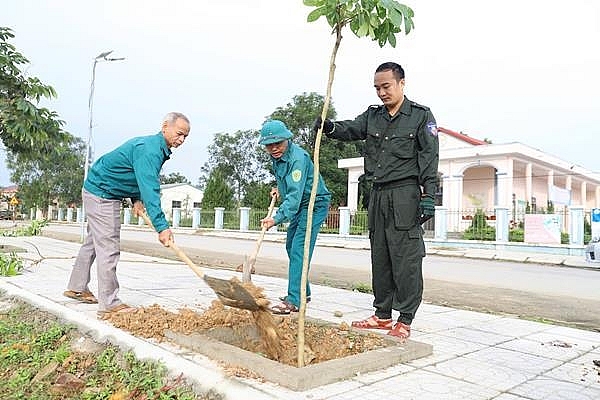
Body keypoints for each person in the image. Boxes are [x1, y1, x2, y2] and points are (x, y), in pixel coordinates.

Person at [314, 62, 439, 339]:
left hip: (405, 193)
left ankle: (404, 319)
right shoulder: (373, 117)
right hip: (378, 194)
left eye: (386, 87)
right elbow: (351, 129)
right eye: (377, 88)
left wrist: (428, 196)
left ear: (401, 83)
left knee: (405, 258)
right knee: (380, 256)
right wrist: (330, 127)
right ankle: (382, 315)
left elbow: (429, 158)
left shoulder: (420, 116)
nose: (382, 93)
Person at [63, 112, 191, 318]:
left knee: (95, 242)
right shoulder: (150, 150)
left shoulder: (155, 147)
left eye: (185, 136)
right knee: (109, 248)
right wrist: (162, 227)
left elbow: (135, 176)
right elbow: (150, 188)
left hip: (98, 189)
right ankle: (109, 303)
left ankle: (77, 287)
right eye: (179, 134)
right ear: (165, 126)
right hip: (103, 193)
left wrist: (136, 200)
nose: (181, 139)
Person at [258, 120, 331, 315]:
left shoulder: (297, 158)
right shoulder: (278, 157)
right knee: (291, 245)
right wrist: (278, 189)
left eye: (278, 143)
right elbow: (289, 184)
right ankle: (303, 291)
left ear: (287, 140)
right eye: (269, 145)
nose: (274, 148)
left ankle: (294, 299)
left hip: (314, 203)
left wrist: (276, 218)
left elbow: (295, 195)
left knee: (299, 248)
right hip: (299, 203)